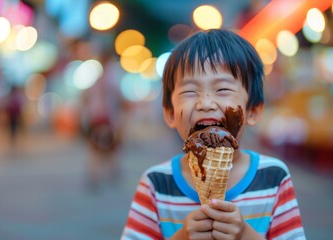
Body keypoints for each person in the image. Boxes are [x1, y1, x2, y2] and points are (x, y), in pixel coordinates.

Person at [121, 29, 305, 240]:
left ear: (253, 110)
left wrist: (245, 235)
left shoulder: (273, 177)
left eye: (222, 90)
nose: (205, 104)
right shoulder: (156, 184)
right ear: (170, 113)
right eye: (189, 91)